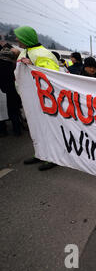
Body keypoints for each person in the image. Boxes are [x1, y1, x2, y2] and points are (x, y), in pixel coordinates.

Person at [14, 25, 59, 171]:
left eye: (19, 37)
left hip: (44, 101)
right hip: (30, 99)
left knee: (48, 129)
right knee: (35, 128)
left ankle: (53, 157)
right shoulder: (24, 52)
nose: (16, 39)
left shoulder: (43, 54)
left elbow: (53, 75)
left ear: (26, 38)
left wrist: (34, 65)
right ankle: (40, 153)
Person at [0, 44, 22, 136]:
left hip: (2, 92)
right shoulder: (16, 65)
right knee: (14, 112)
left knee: (2, 113)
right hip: (14, 92)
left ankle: (3, 131)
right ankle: (17, 131)